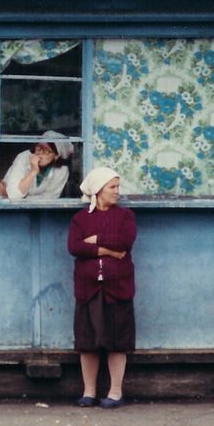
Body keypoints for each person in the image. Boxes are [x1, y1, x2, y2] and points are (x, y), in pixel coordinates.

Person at [67, 167, 137, 409]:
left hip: (118, 287)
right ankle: (89, 392)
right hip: (88, 289)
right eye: (112, 187)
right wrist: (108, 250)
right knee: (88, 342)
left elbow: (125, 241)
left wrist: (96, 239)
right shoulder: (80, 219)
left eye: (118, 187)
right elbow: (75, 247)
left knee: (118, 341)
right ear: (98, 191)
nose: (117, 192)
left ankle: (115, 392)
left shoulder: (125, 217)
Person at [0, 130, 73, 200]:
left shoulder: (61, 170)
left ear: (56, 156)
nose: (40, 153)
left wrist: (24, 198)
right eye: (39, 148)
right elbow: (13, 195)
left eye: (46, 151)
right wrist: (33, 171)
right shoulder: (23, 157)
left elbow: (49, 198)